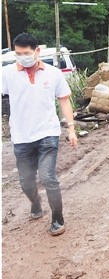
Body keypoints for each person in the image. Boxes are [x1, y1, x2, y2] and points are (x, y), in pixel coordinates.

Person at [1, 33, 78, 236]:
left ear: (37, 51)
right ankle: (36, 203)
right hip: (21, 136)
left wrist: (71, 128)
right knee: (26, 182)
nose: (22, 57)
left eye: (26, 53)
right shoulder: (7, 74)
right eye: (18, 53)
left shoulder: (53, 73)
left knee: (48, 177)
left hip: (48, 133)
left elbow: (63, 99)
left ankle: (58, 218)